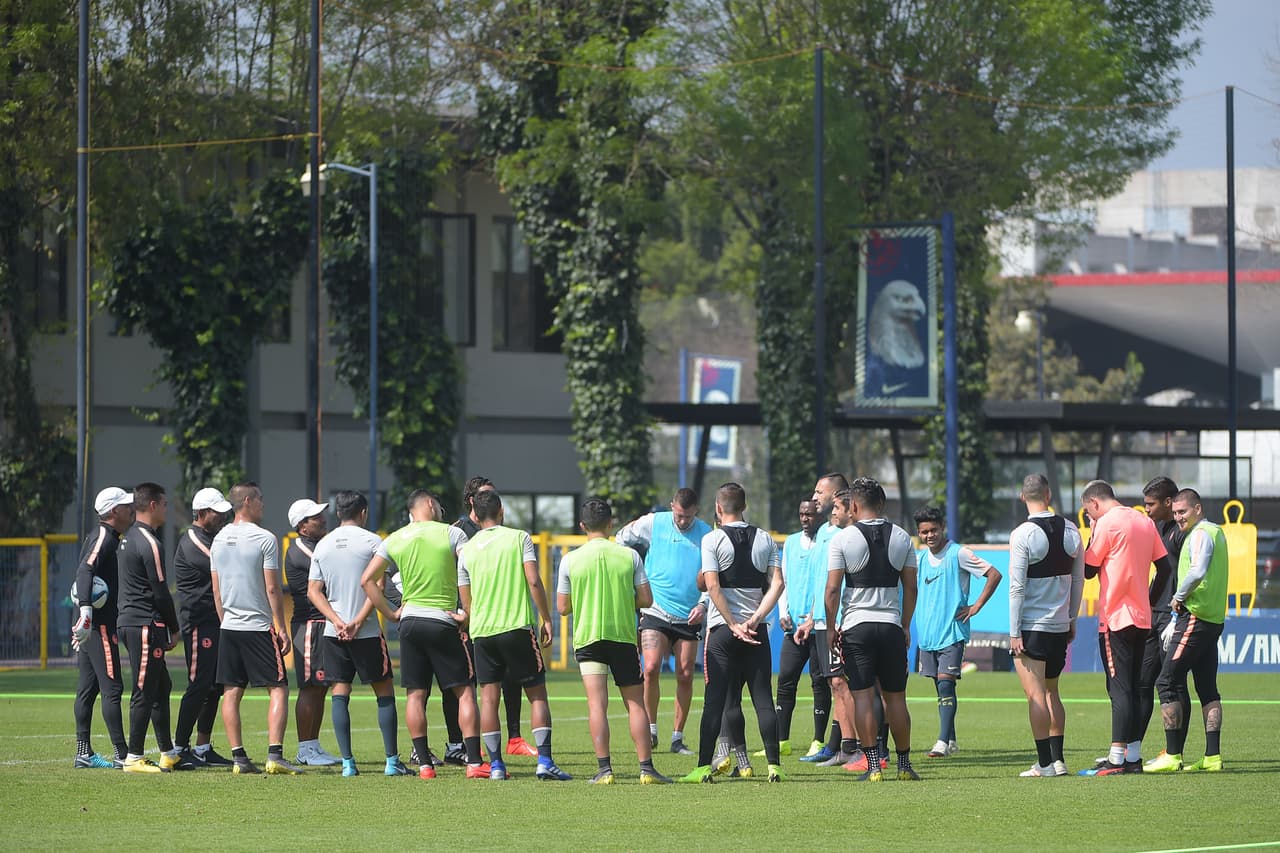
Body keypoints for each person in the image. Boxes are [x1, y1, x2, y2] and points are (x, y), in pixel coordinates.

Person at [361, 490, 488, 780]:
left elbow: (367, 580)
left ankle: (425, 766)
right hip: (443, 619)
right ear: (430, 504)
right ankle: (473, 762)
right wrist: (467, 613)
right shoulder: (452, 534)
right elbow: (472, 569)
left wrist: (392, 614)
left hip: (410, 622)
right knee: (465, 691)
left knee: (416, 695)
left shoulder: (394, 538)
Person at [557, 497, 672, 784]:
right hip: (622, 637)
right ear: (611, 524)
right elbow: (646, 599)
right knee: (635, 704)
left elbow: (562, 607)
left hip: (588, 637)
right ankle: (646, 769)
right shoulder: (629, 556)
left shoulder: (570, 559)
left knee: (597, 705)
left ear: (582, 526)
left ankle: (604, 770)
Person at [458, 490, 570, 781]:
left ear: (476, 515)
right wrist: (546, 618)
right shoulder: (518, 537)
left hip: (482, 633)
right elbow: (533, 580)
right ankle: (544, 761)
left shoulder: (467, 549)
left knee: (489, 700)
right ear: (502, 511)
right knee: (537, 695)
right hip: (517, 627)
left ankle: (495, 766)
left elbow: (466, 600)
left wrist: (474, 621)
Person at [681, 482, 785, 784]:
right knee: (763, 697)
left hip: (722, 633)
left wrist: (732, 623)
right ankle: (774, 766)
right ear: (745, 506)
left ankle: (702, 768)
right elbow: (777, 584)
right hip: (757, 632)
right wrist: (755, 618)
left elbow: (711, 585)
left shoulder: (712, 539)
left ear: (717, 508)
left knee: (715, 700)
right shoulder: (765, 538)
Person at [307, 490, 408, 777]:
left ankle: (348, 764)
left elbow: (313, 591)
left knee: (340, 692)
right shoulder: (373, 542)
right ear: (363, 512)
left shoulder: (323, 545)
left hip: (333, 633)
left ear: (338, 513)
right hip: (366, 632)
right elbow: (374, 584)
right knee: (384, 691)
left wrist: (337, 621)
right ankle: (391, 762)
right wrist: (357, 620)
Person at [825, 478, 920, 782]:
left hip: (857, 628)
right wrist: (905, 625)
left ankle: (873, 766)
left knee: (863, 697)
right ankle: (904, 764)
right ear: (883, 504)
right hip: (891, 626)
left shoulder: (842, 539)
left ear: (853, 506)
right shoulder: (904, 537)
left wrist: (830, 629)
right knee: (896, 699)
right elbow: (911, 587)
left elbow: (832, 590)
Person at [1079, 479, 1173, 776]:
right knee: (1133, 687)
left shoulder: (1106, 523)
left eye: (1088, 512)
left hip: (1115, 618)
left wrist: (1094, 531)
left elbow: (1088, 570)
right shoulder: (1143, 521)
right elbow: (1166, 568)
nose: (1090, 517)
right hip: (1142, 618)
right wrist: (1149, 599)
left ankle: (1116, 758)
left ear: (1094, 503)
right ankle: (1132, 756)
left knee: (1118, 687)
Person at [211, 483, 304, 775]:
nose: (264, 504)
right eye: (260, 499)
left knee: (231, 691)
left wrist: (225, 620)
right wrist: (281, 627)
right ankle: (275, 755)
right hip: (258, 626)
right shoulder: (265, 538)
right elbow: (273, 589)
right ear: (247, 501)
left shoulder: (218, 539)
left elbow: (216, 591)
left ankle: (238, 758)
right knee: (278, 688)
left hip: (230, 626)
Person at [614, 487, 711, 756]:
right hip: (656, 610)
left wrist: (703, 604)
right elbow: (621, 538)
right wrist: (635, 576)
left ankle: (677, 737)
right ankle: (652, 729)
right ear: (672, 507)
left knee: (686, 673)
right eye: (679, 516)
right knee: (652, 667)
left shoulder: (706, 534)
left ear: (696, 513)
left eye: (688, 517)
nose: (682, 522)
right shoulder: (653, 522)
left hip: (689, 615)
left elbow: (712, 572)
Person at [447, 475, 532, 763]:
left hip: (501, 617)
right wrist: (462, 614)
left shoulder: (503, 532)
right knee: (466, 684)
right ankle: (461, 743)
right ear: (472, 500)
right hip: (470, 620)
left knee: (510, 678)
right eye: (486, 495)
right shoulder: (458, 531)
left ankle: (515, 738)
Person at [1146, 489, 1229, 773]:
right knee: (1207, 688)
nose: (1179, 517)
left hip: (1196, 616)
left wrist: (1178, 597)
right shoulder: (1216, 532)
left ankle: (1172, 754)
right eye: (1176, 513)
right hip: (1213, 618)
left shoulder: (1201, 534)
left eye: (1183, 512)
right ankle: (1212, 756)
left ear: (1197, 509)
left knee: (1166, 681)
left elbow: (1197, 570)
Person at [1007, 473, 1084, 778]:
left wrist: (1014, 632)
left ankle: (1043, 764)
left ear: (1022, 497)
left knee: (1036, 696)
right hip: (1059, 625)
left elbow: (1016, 587)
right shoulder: (1071, 530)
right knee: (1053, 692)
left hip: (1031, 626)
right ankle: (1058, 760)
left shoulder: (1022, 533)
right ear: (1049, 494)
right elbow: (1078, 580)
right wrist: (1072, 618)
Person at [912, 506, 1002, 758]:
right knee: (939, 688)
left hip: (952, 632)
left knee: (945, 686)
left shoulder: (959, 554)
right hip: (928, 634)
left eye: (933, 530)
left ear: (942, 528)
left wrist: (976, 606)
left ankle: (941, 742)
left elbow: (994, 574)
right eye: (924, 532)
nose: (929, 536)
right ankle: (951, 739)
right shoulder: (920, 559)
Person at [805, 473, 870, 770]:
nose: (815, 497)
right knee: (835, 683)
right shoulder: (825, 532)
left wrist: (836, 621)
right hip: (821, 619)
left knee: (843, 683)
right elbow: (821, 581)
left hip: (841, 620)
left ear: (836, 496)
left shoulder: (845, 535)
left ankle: (857, 747)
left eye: (820, 492)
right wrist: (811, 615)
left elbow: (838, 585)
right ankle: (845, 746)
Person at [116, 482, 181, 773]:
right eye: (165, 503)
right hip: (143, 623)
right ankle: (134, 757)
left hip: (133, 622)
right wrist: (174, 627)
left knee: (161, 685)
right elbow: (160, 591)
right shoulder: (150, 542)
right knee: (144, 689)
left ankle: (167, 751)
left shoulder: (128, 537)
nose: (167, 509)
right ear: (153, 505)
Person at [71, 486, 134, 769]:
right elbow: (85, 570)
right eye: (126, 506)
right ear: (113, 512)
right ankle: (123, 754)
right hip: (100, 627)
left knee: (88, 688)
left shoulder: (106, 536)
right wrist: (86, 613)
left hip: (93, 627)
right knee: (112, 687)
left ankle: (83, 752)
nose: (131, 510)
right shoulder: (105, 537)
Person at [171, 487, 234, 769]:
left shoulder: (212, 537)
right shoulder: (194, 541)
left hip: (216, 622)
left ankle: (203, 746)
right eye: (216, 513)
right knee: (198, 685)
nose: (221, 517)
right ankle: (180, 747)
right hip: (200, 623)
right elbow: (226, 565)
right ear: (202, 514)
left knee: (214, 687)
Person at [770, 497, 833, 762]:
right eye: (802, 514)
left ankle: (818, 740)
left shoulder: (829, 542)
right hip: (794, 626)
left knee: (820, 682)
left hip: (819, 624)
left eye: (810, 514)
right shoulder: (791, 542)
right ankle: (781, 740)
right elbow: (781, 578)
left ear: (820, 516)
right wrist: (783, 612)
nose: (805, 519)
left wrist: (817, 615)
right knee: (786, 679)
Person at [284, 497, 340, 767]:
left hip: (321, 625)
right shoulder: (301, 551)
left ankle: (312, 745)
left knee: (320, 687)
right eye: (316, 516)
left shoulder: (317, 547)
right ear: (302, 526)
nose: (322, 519)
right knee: (310, 687)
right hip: (309, 626)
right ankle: (305, 749)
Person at [1138, 476, 1185, 764]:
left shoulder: (1183, 532)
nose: (1147, 509)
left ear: (1168, 502)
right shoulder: (1153, 528)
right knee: (1143, 683)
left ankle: (1174, 752)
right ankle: (1131, 749)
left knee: (1174, 683)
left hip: (1173, 615)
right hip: (1152, 613)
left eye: (1150, 504)